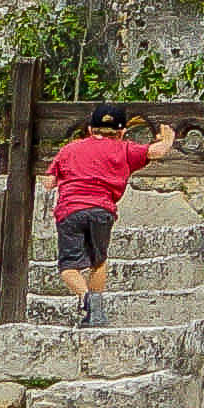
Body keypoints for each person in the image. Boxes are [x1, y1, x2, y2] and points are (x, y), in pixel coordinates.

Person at [41, 113, 171, 329]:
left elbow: (48, 183)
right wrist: (167, 139)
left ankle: (86, 299)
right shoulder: (125, 148)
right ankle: (97, 314)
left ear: (91, 130)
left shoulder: (69, 149)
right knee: (98, 262)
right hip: (102, 210)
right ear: (121, 132)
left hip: (70, 211)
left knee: (68, 267)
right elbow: (156, 152)